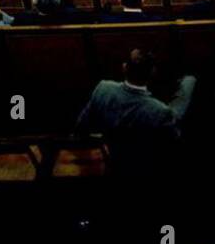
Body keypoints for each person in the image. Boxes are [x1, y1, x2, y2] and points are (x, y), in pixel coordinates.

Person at [75, 49, 195, 177]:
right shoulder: (161, 112)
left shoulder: (103, 88)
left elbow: (80, 127)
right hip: (143, 169)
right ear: (152, 72)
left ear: (124, 67)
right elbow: (174, 147)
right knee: (188, 84)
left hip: (112, 163)